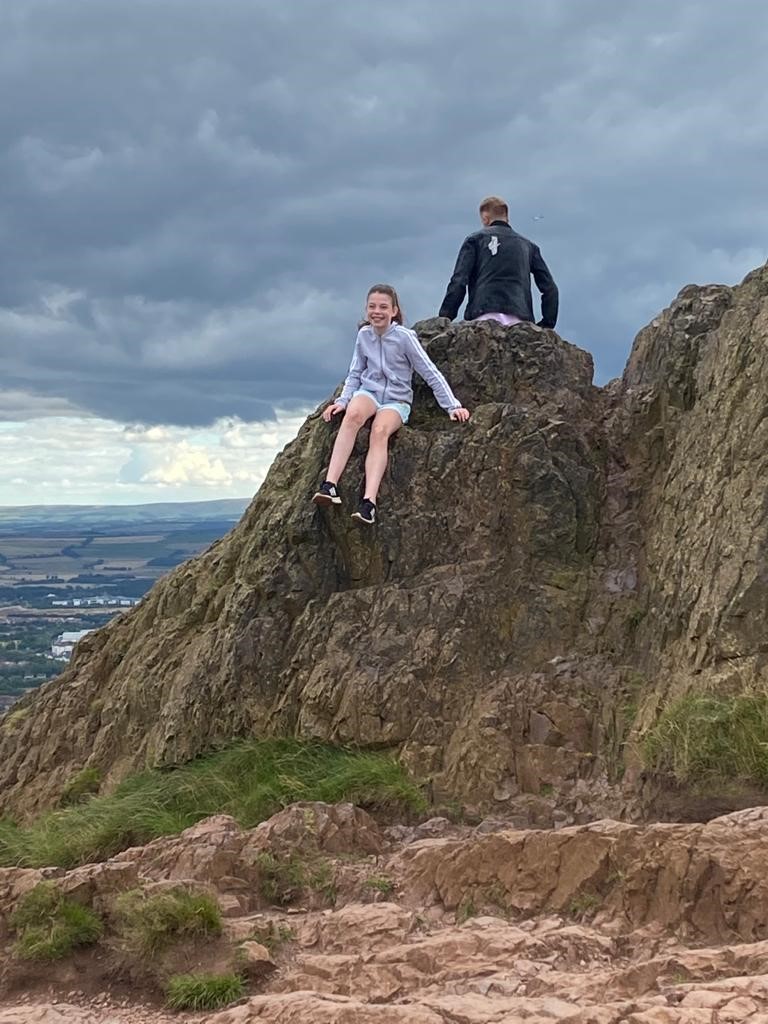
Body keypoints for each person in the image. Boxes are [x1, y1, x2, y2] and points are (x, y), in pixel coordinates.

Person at [313, 284, 470, 525]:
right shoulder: (364, 336)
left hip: (397, 400)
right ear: (366, 309)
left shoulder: (405, 338)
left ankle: (368, 504)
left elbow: (430, 372)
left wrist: (452, 406)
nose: (377, 312)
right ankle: (329, 486)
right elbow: (355, 372)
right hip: (370, 392)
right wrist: (342, 401)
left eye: (383, 307)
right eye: (372, 307)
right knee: (352, 416)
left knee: (379, 431)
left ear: (394, 311)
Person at [438, 196, 559, 329]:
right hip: (520, 320)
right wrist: (547, 324)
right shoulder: (528, 246)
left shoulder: (475, 240)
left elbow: (459, 280)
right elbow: (550, 288)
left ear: (485, 218)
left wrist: (445, 317)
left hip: (483, 316)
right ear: (507, 217)